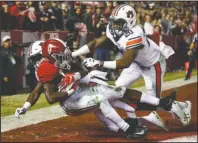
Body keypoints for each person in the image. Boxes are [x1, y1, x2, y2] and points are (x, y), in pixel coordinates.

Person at [16, 39, 188, 138]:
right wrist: (73, 84)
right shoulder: (46, 69)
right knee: (106, 102)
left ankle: (158, 108)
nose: (37, 63)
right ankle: (130, 129)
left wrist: (83, 74)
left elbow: (81, 72)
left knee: (117, 95)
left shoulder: (59, 61)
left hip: (82, 90)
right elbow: (49, 96)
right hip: (72, 99)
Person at [71, 4, 192, 126]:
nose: (114, 26)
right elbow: (96, 42)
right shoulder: (112, 29)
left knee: (153, 103)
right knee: (118, 88)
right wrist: (74, 53)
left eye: (119, 23)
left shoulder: (136, 33)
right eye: (113, 21)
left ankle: (183, 105)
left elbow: (125, 62)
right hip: (136, 63)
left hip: (153, 65)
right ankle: (132, 118)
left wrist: (99, 63)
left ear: (129, 23)